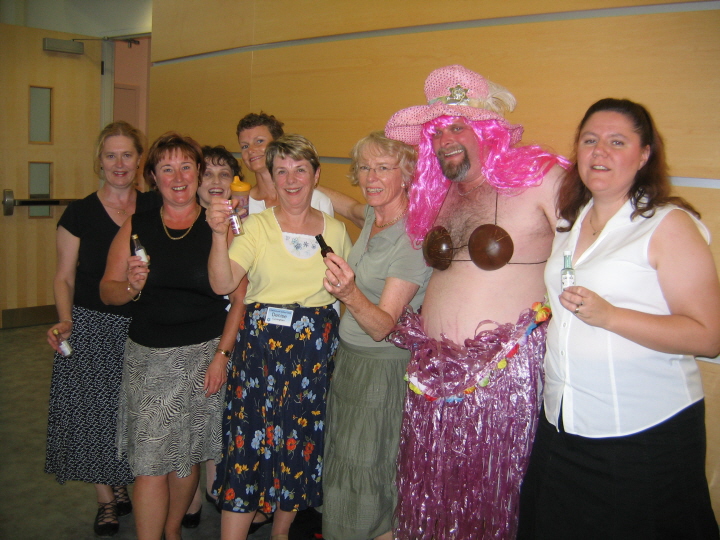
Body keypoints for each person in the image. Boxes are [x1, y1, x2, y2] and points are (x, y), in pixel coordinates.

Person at [517, 98, 720, 539]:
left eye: (617, 142)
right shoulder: (570, 223)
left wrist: (611, 317)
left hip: (642, 432)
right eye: (590, 140)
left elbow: (708, 336)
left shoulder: (668, 225)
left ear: (644, 154)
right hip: (563, 423)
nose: (599, 152)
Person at [383, 65, 568, 538]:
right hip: (433, 378)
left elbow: (590, 245)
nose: (445, 139)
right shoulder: (439, 196)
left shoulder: (539, 180)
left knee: (494, 501)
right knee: (434, 497)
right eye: (436, 131)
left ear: (486, 129)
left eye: (457, 126)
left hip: (503, 380)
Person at [207, 134, 351, 540]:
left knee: (298, 444)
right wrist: (218, 235)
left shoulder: (337, 230)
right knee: (246, 444)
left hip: (312, 357)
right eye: (281, 171)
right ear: (271, 176)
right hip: (259, 356)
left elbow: (343, 298)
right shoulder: (256, 227)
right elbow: (223, 283)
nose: (291, 180)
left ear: (316, 176)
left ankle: (280, 533)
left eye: (300, 170)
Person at [100, 132, 236, 540]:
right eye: (167, 169)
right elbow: (107, 291)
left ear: (198, 173)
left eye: (186, 167)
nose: (178, 177)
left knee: (185, 457)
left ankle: (172, 530)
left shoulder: (220, 225)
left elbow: (240, 299)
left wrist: (222, 356)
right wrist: (131, 286)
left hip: (203, 358)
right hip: (149, 359)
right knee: (149, 463)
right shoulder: (137, 226)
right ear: (153, 178)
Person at [45, 121, 157, 537]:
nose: (119, 163)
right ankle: (106, 499)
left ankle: (122, 480)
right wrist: (65, 319)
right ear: (100, 160)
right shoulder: (79, 213)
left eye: (127, 154)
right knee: (94, 413)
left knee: (133, 414)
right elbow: (64, 276)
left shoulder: (155, 206)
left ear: (139, 159)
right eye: (111, 155)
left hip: (144, 325)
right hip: (92, 323)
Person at [319, 132, 432, 540]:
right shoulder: (375, 214)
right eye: (365, 167)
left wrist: (348, 293)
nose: (371, 177)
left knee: (370, 473)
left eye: (384, 168)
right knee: (350, 466)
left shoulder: (412, 237)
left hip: (381, 370)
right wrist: (299, 183)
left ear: (407, 174)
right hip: (351, 361)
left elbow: (384, 326)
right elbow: (346, 204)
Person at [181, 145, 247, 528]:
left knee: (220, 419)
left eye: (225, 174)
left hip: (228, 337)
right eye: (208, 174)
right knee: (192, 421)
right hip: (190, 337)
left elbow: (239, 296)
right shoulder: (183, 223)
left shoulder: (241, 224)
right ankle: (191, 499)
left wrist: (222, 352)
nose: (217, 182)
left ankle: (212, 491)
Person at [236, 112, 333, 215]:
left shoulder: (317, 200)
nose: (250, 150)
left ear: (277, 144)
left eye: (259, 141)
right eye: (245, 146)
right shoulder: (242, 204)